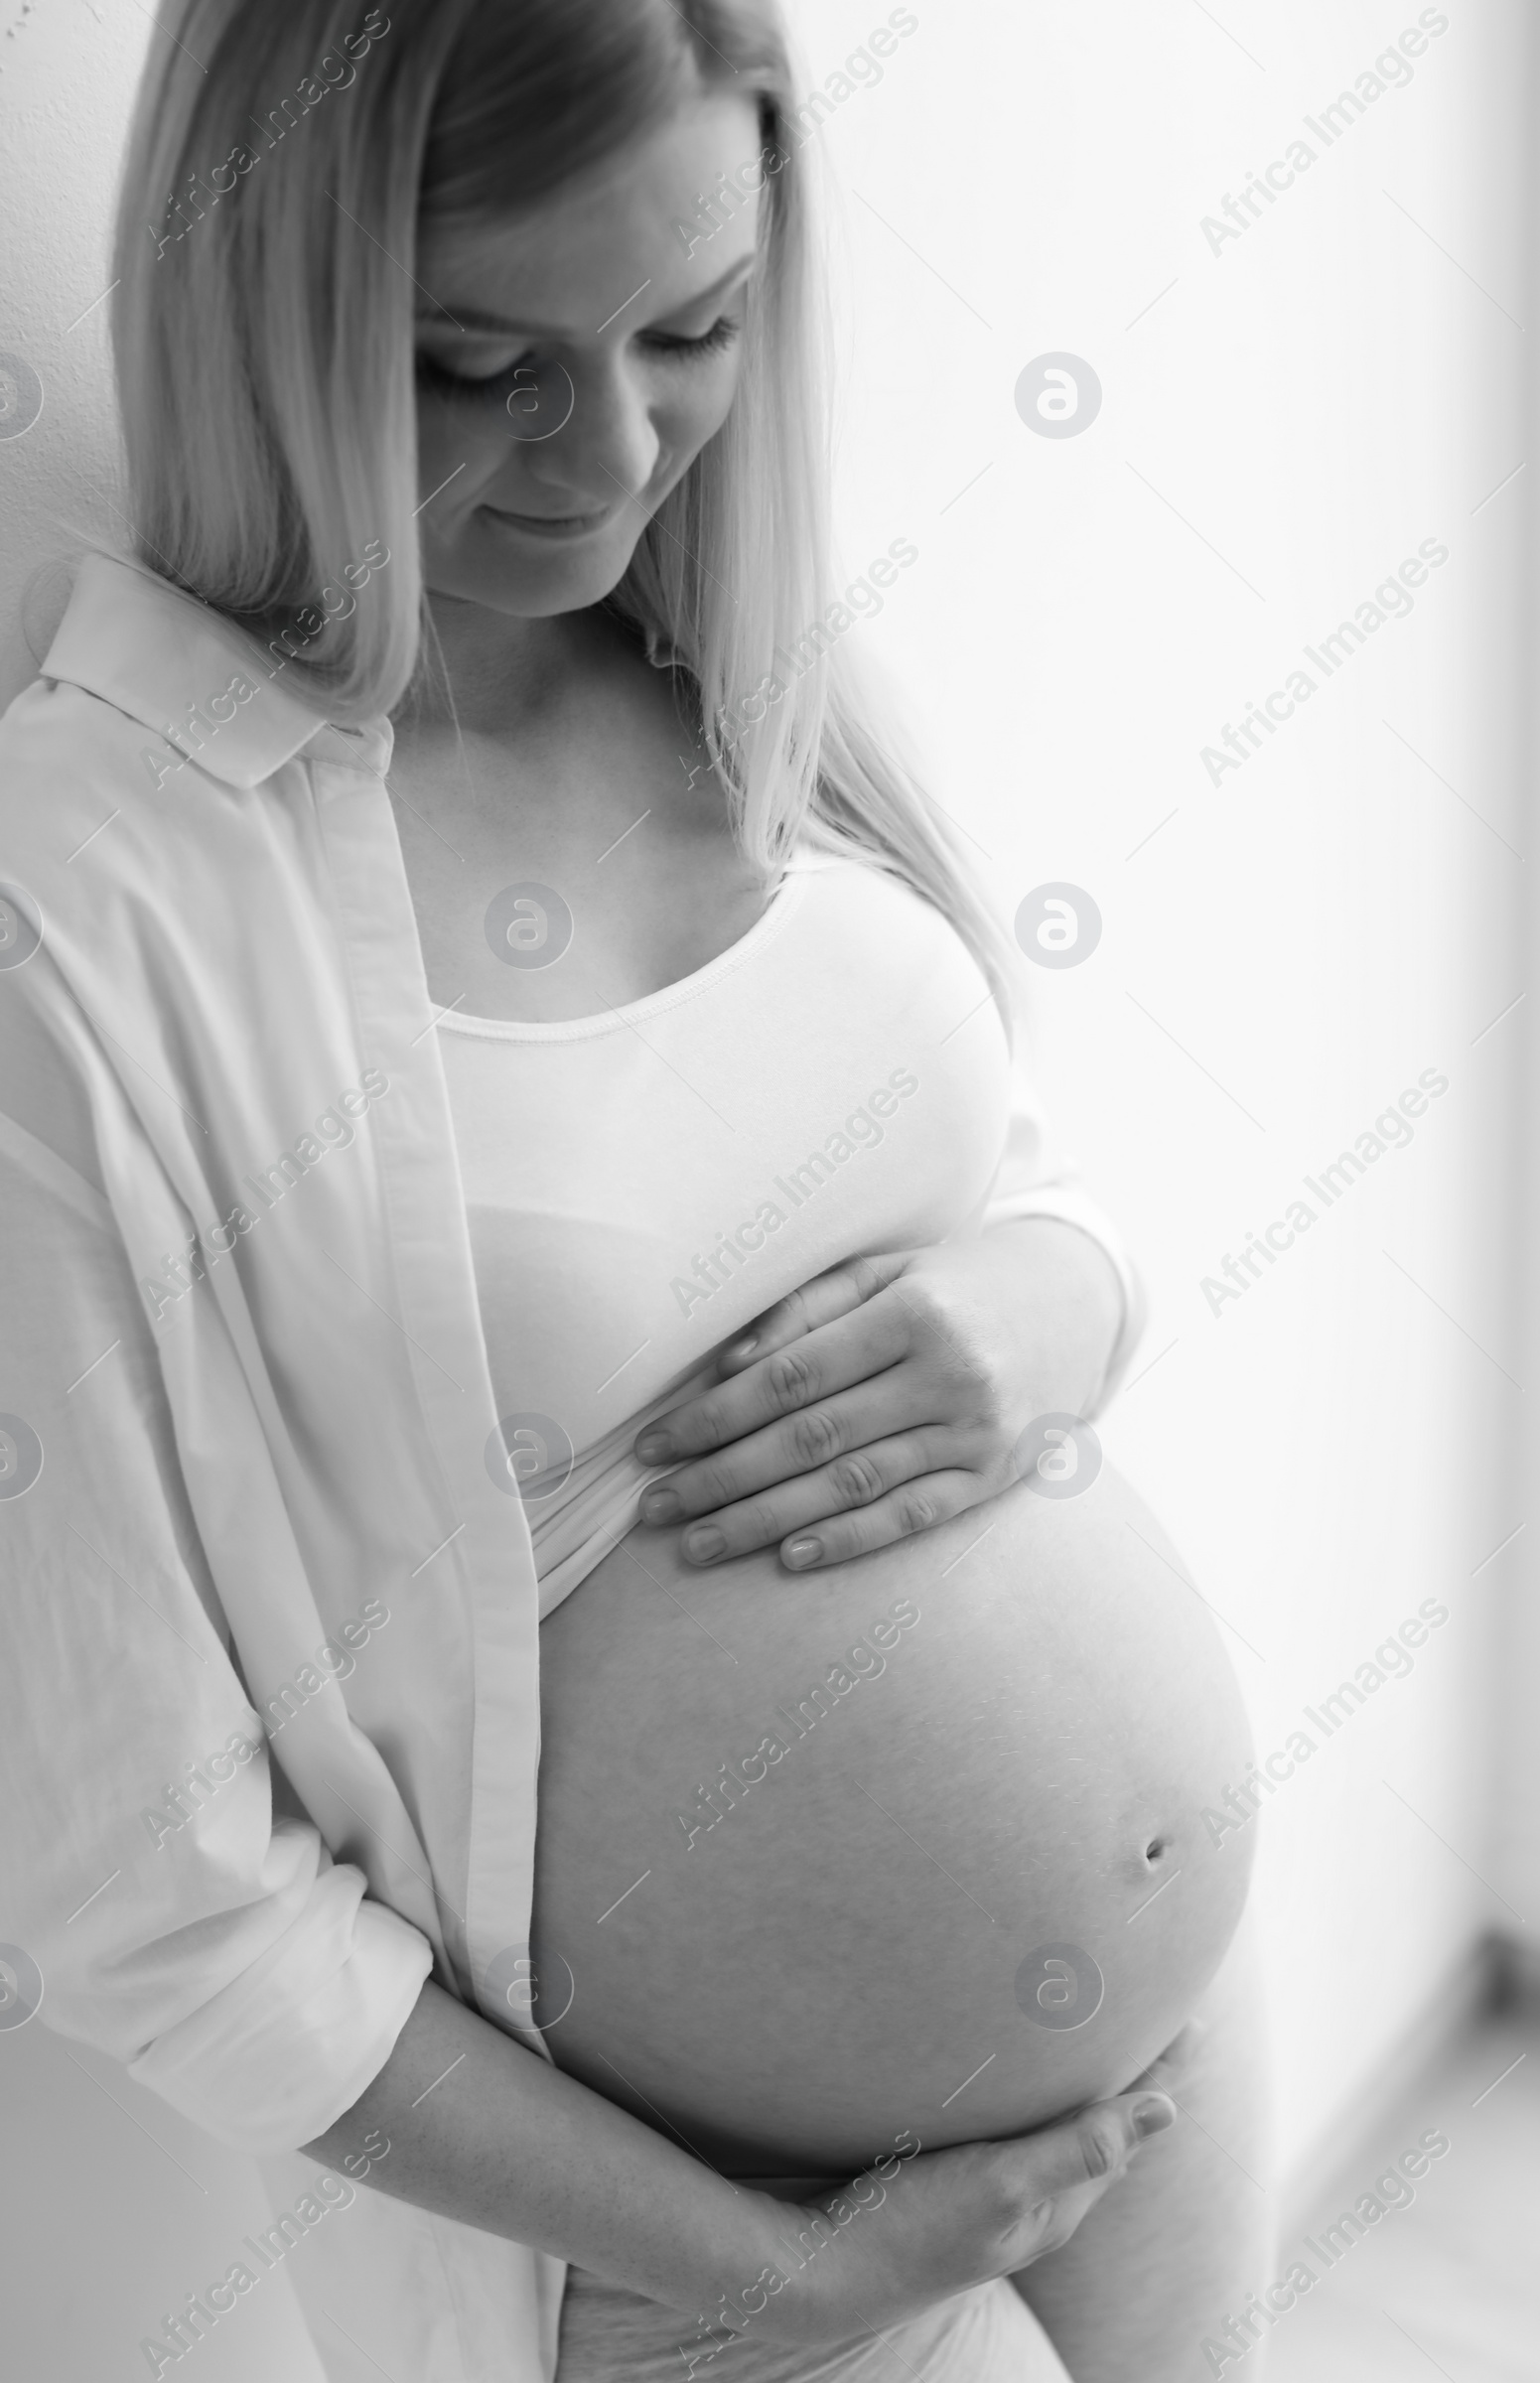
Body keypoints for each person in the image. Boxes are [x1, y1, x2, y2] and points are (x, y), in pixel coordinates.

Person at [0, 3, 1271, 2377]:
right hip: (703, 2231)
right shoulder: (90, 897)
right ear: (262, 304)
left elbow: (990, 1162)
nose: (607, 456)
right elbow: (142, 1898)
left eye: (688, 328)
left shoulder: (719, 650)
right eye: (480, 363)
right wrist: (763, 2266)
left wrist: (1054, 1296)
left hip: (1166, 2064)